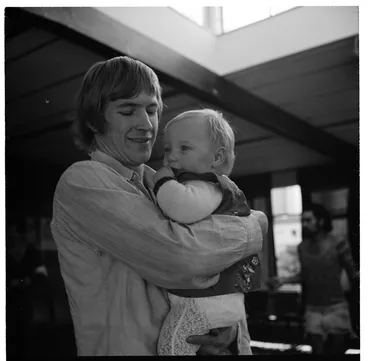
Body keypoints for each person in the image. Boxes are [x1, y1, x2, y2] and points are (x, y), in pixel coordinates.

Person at [50, 56, 268, 356]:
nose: (146, 124)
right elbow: (182, 258)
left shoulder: (162, 184)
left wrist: (220, 323)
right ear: (92, 121)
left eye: (152, 110)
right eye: (127, 110)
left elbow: (212, 265)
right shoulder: (83, 181)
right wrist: (254, 228)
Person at [153, 109, 266, 355]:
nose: (171, 157)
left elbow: (182, 207)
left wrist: (161, 182)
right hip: (221, 297)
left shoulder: (205, 184)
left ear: (216, 158)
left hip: (203, 300)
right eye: (168, 149)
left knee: (172, 346)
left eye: (184, 149)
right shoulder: (209, 185)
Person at [268, 203, 358, 355]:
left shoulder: (338, 243)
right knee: (318, 353)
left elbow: (353, 274)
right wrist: (283, 280)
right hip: (313, 309)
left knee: (336, 353)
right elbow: (305, 275)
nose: (304, 224)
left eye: (308, 220)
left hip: (336, 306)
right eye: (303, 221)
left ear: (321, 221)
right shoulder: (302, 247)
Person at [6, 215, 49, 357]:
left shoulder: (31, 251)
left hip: (27, 300)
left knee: (25, 336)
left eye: (15, 231)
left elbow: (42, 272)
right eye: (9, 231)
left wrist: (30, 280)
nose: (12, 234)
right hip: (8, 301)